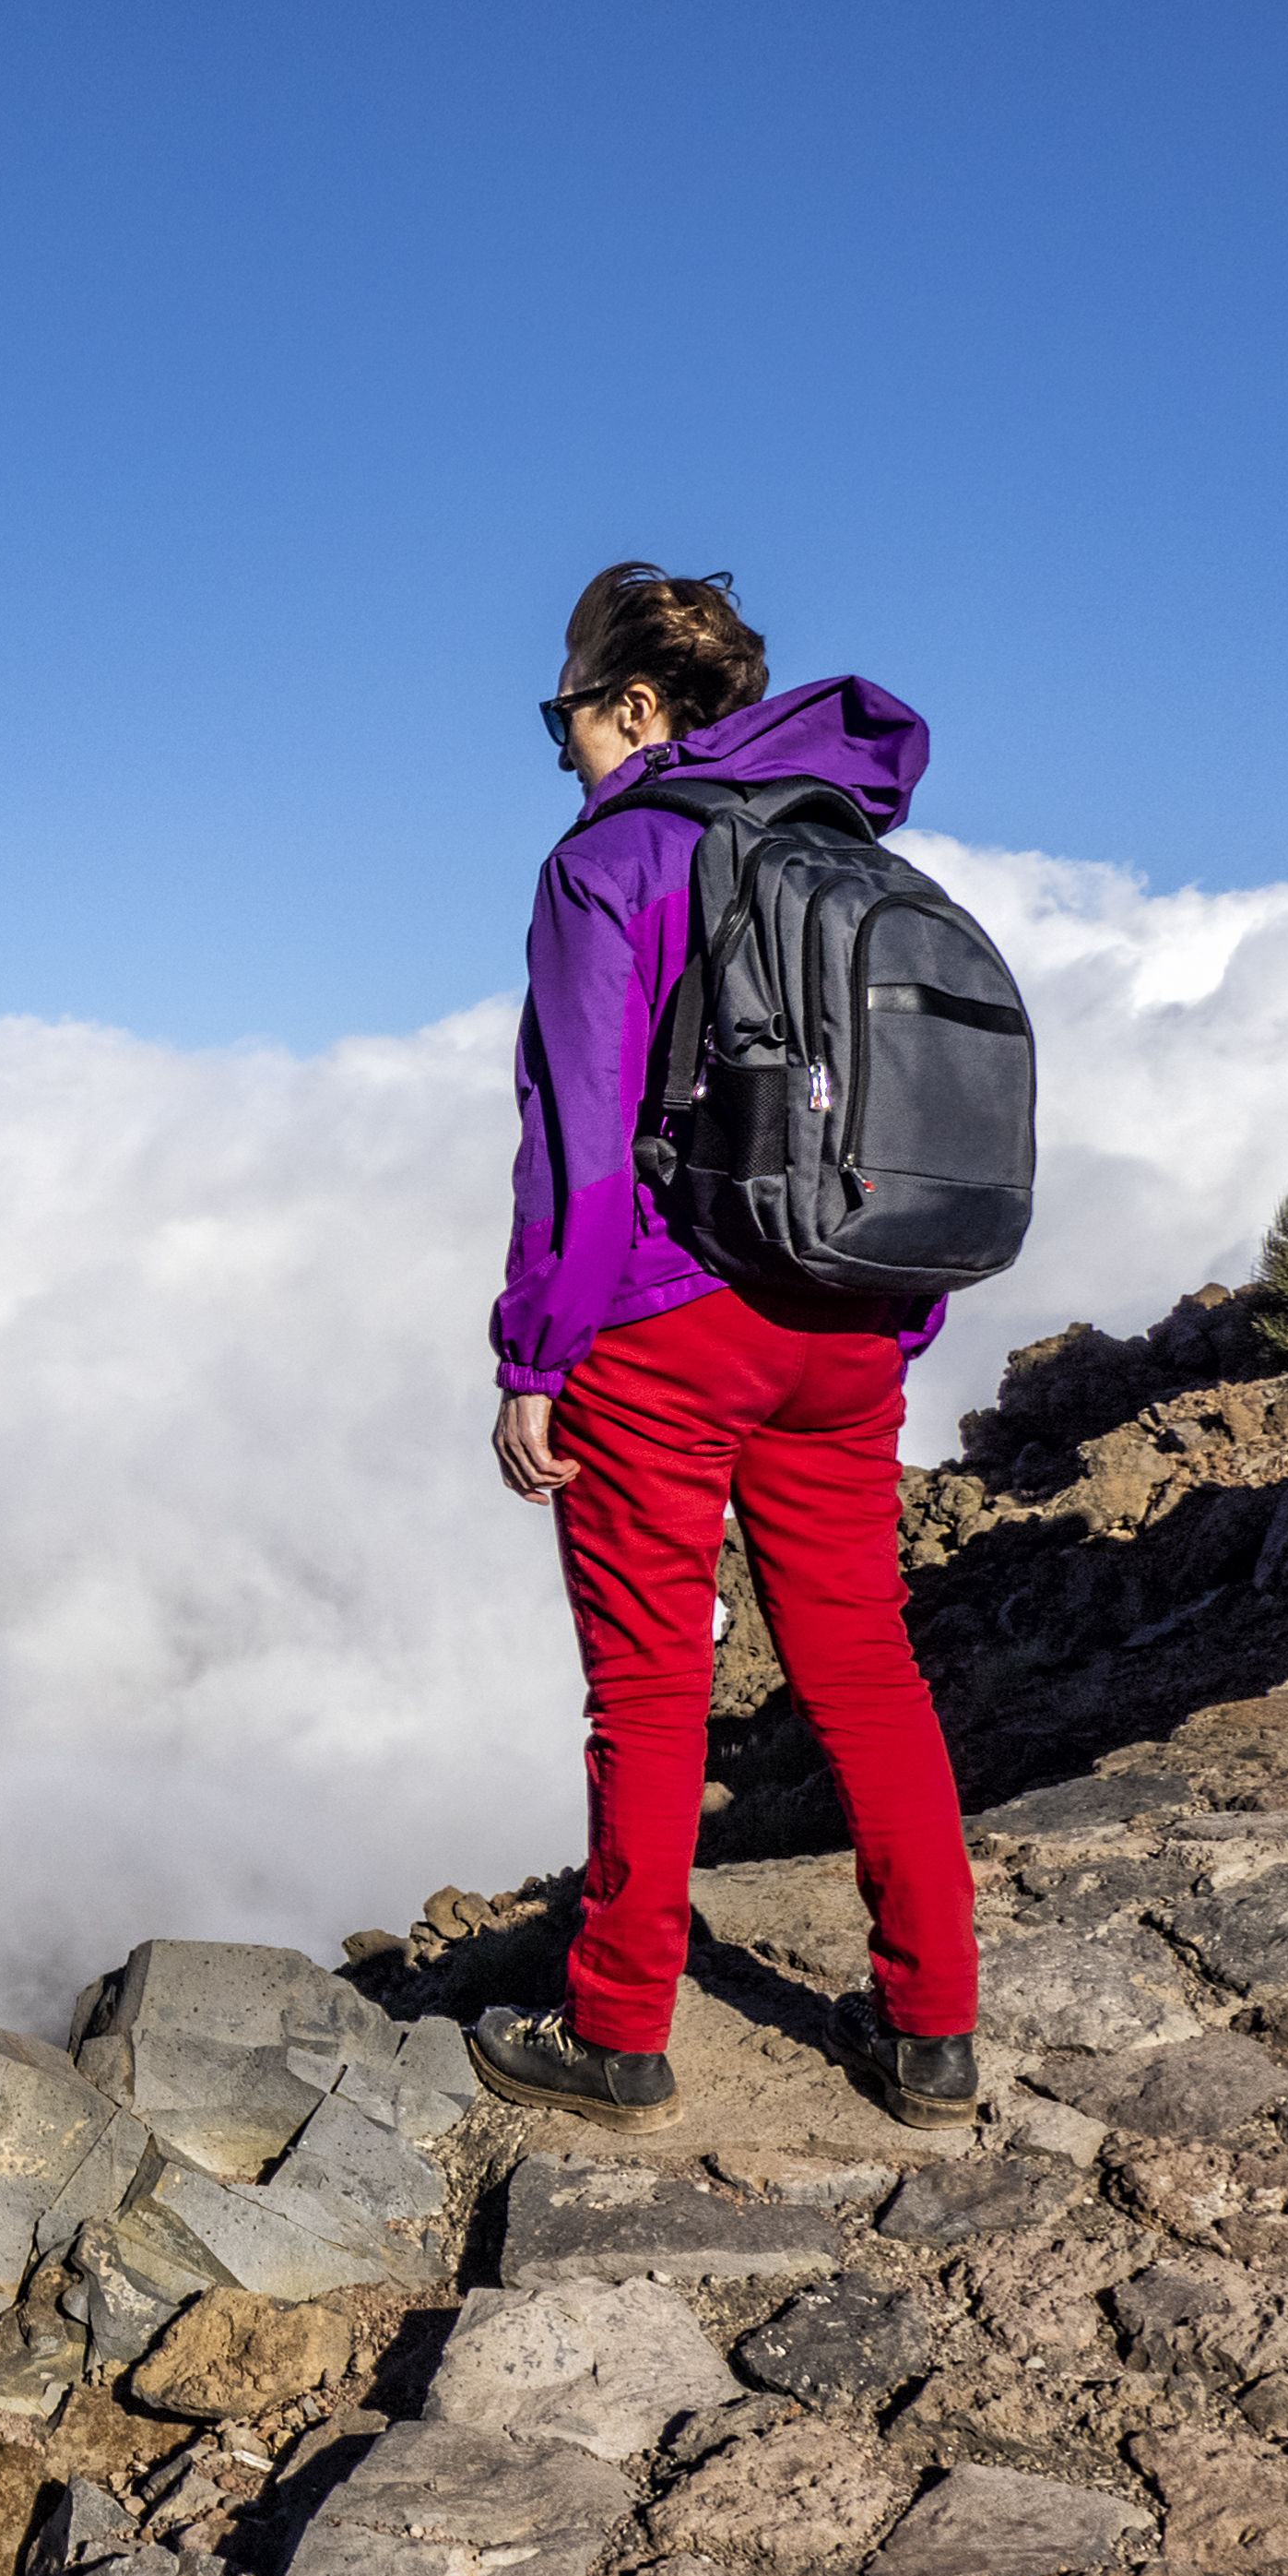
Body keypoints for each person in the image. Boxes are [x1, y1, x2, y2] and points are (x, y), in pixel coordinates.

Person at [467, 564, 981, 2134]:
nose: (559, 742)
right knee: (866, 1667)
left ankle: (616, 2032)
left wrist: (534, 1355)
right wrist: (898, 1309)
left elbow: (583, 1141)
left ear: (635, 708)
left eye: (564, 710)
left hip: (663, 1327)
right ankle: (933, 2034)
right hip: (851, 1320)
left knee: (651, 1684)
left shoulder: (613, 863)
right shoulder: (844, 848)